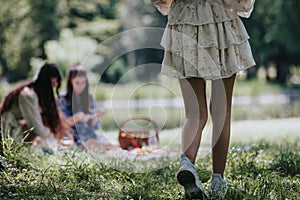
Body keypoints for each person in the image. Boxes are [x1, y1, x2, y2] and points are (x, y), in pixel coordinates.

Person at [152, 0, 256, 199]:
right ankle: (218, 179)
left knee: (194, 113)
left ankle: (187, 162)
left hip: (184, 24)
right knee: (221, 111)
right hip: (219, 22)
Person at [0, 62, 66, 151]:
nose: (54, 87)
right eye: (53, 83)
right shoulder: (28, 95)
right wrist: (53, 138)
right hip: (8, 129)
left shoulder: (36, 95)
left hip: (15, 127)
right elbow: (36, 125)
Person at [58, 65, 111, 150]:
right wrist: (75, 118)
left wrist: (94, 117)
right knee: (98, 145)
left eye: (83, 83)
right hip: (73, 139)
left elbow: (95, 127)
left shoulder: (89, 97)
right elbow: (62, 125)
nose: (81, 86)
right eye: (77, 83)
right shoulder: (63, 99)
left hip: (91, 136)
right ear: (70, 82)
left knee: (111, 144)